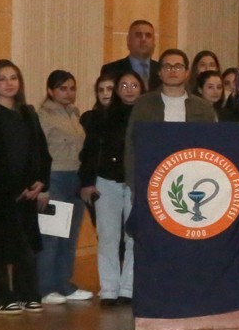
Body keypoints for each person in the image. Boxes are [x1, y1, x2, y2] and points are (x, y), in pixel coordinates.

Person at [0, 60, 52, 314]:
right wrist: (15, 188)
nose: (9, 83)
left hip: (27, 190)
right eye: (2, 79)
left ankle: (28, 294)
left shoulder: (28, 113)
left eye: (13, 77)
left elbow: (41, 151)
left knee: (25, 244)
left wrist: (40, 181)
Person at [79, 71, 140, 305]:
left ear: (142, 88)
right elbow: (89, 151)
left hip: (135, 183)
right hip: (106, 181)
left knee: (133, 236)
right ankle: (109, 289)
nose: (129, 90)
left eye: (134, 85)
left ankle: (128, 287)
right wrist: (86, 182)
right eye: (123, 85)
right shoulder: (100, 117)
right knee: (107, 236)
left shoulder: (146, 114)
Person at [34, 70, 93, 305]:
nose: (68, 93)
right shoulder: (42, 116)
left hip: (75, 178)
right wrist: (44, 188)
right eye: (62, 88)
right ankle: (45, 288)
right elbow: (39, 153)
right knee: (51, 237)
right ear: (50, 91)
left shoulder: (75, 114)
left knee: (69, 236)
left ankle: (64, 285)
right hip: (55, 178)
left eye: (72, 88)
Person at [124, 49, 219, 179]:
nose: (172, 71)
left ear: (187, 73)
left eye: (178, 67)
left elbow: (212, 145)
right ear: (159, 73)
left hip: (193, 176)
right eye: (167, 67)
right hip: (152, 175)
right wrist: (132, 180)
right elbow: (131, 144)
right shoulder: (144, 104)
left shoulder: (203, 107)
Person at [99, 19, 160, 91]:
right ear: (128, 40)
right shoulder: (111, 70)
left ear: (153, 42)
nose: (143, 39)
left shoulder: (162, 70)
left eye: (148, 36)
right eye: (138, 35)